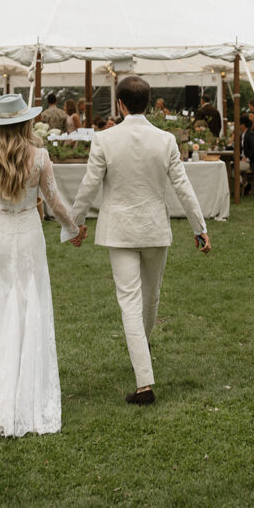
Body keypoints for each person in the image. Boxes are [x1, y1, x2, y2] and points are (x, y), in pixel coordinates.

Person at [65, 76, 209, 406]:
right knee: (150, 296)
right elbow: (183, 186)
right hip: (153, 229)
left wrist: (75, 223)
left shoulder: (104, 139)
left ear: (120, 104)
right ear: (148, 102)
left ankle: (142, 371)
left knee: (131, 301)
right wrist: (199, 227)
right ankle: (143, 371)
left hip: (120, 230)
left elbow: (88, 186)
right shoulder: (166, 139)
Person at [0, 93, 83, 437]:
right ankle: (25, 389)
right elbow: (54, 201)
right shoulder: (39, 157)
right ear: (26, 122)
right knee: (29, 305)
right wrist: (73, 229)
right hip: (28, 232)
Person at [238, 114, 254, 194]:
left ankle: (247, 186)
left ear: (242, 125)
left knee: (233, 169)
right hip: (245, 161)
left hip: (253, 163)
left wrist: (248, 159)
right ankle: (246, 186)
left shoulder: (250, 135)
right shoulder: (243, 135)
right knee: (231, 167)